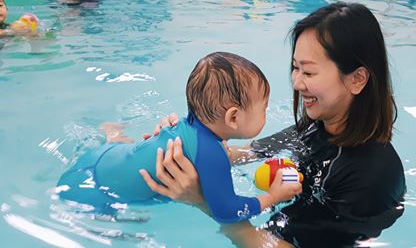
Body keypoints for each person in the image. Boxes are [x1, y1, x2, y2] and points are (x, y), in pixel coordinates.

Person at [140, 2, 407, 247]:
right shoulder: (317, 126)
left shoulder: (372, 178)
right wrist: (187, 145)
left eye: (309, 72)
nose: (297, 83)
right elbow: (246, 153)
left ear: (357, 79)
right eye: (295, 68)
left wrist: (203, 201)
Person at [57, 52, 302, 222]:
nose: (265, 114)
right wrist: (273, 197)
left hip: (100, 157)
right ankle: (115, 135)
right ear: (233, 118)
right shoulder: (212, 153)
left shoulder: (186, 128)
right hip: (91, 195)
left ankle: (114, 134)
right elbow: (227, 211)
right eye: (264, 108)